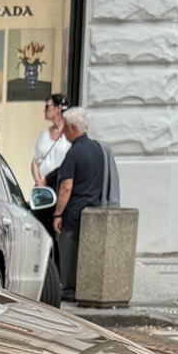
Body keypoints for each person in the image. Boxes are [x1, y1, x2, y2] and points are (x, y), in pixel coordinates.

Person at [51, 104, 109, 295]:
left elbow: (66, 187)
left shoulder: (73, 153)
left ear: (73, 127)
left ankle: (68, 288)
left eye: (66, 126)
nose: (64, 131)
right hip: (93, 210)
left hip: (74, 212)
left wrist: (58, 214)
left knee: (68, 251)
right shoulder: (98, 150)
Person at [32, 95, 68, 187]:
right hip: (43, 187)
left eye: (48, 107)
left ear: (59, 108)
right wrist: (39, 181)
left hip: (59, 185)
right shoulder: (43, 134)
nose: (45, 110)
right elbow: (35, 161)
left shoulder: (69, 134)